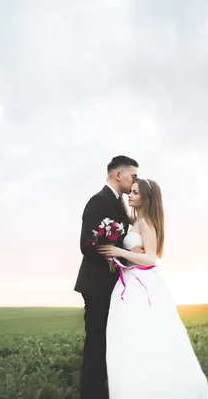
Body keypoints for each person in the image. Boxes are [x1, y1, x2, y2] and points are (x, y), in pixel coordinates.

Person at [98, 178, 208, 399]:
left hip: (140, 284)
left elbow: (150, 257)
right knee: (130, 338)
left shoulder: (147, 222)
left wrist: (120, 253)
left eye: (135, 193)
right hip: (131, 280)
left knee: (142, 337)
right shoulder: (137, 220)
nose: (130, 196)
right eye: (130, 192)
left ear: (146, 198)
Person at [74, 155, 142, 399]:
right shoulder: (99, 200)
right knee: (96, 345)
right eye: (133, 175)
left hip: (113, 285)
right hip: (97, 286)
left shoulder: (119, 205)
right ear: (118, 175)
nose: (136, 180)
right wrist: (111, 249)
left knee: (109, 344)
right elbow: (86, 244)